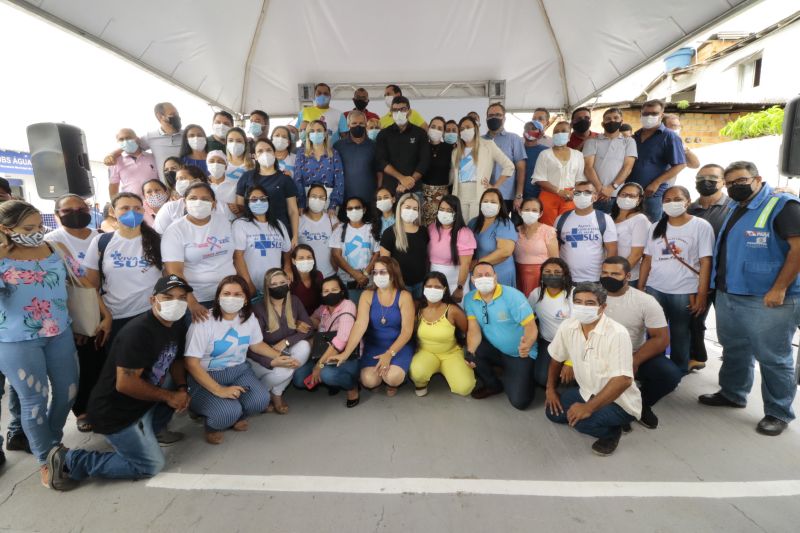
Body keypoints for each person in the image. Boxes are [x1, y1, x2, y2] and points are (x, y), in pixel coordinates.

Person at [44, 275, 192, 491]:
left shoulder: (176, 325)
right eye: (168, 297)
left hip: (142, 402)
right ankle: (72, 459)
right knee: (150, 465)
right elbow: (125, 384)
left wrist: (181, 388)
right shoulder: (139, 332)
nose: (175, 303)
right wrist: (170, 397)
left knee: (175, 379)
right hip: (115, 413)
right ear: (153, 300)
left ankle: (153, 430)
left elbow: (176, 359)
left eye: (181, 298)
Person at [699, 161, 800, 436]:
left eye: (741, 181)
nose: (735, 187)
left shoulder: (782, 205)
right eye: (730, 183)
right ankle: (733, 393)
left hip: (767, 298)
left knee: (774, 357)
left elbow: (798, 248)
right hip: (730, 292)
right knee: (735, 348)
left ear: (758, 179)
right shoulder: (735, 205)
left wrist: (779, 288)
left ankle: (778, 412)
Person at [0, 201, 80, 484]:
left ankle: (53, 441)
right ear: (5, 229)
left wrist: (102, 313)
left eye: (39, 226)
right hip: (17, 340)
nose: (36, 232)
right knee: (33, 399)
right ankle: (47, 458)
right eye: (27, 228)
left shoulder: (53, 247)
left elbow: (78, 281)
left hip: (60, 331)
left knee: (68, 390)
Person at [544, 282, 641, 456]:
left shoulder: (617, 333)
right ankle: (601, 417)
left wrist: (588, 408)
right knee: (553, 413)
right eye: (578, 302)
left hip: (619, 401)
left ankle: (612, 432)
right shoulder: (568, 326)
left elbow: (624, 380)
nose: (582, 307)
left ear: (602, 307)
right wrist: (550, 389)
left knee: (582, 422)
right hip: (587, 391)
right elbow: (557, 357)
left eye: (589, 303)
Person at [43, 194, 110, 432]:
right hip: (73, 309)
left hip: (103, 304)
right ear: (56, 215)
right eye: (67, 210)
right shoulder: (51, 242)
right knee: (81, 362)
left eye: (80, 208)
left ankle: (103, 406)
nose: (75, 213)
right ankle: (82, 410)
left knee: (101, 360)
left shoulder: (100, 237)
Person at [184, 276, 273, 444]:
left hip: (238, 370)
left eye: (238, 294)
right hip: (206, 375)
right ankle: (212, 425)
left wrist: (278, 356)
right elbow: (191, 363)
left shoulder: (249, 318)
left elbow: (257, 345)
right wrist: (218, 390)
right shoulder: (204, 321)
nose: (231, 298)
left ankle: (236, 413)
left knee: (261, 400)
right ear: (218, 297)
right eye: (226, 293)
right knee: (226, 412)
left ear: (246, 299)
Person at [638, 185, 714, 374]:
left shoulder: (700, 226)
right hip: (655, 288)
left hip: (684, 291)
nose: (672, 203)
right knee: (654, 332)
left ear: (688, 202)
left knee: (681, 334)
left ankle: (679, 370)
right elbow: (647, 259)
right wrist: (641, 288)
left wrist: (702, 295)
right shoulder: (656, 226)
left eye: (677, 199)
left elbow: (706, 262)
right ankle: (656, 368)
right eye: (667, 200)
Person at [601, 257, 680, 429]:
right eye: (605, 273)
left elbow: (661, 338)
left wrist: (634, 360)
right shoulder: (592, 296)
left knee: (670, 374)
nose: (608, 277)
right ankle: (618, 408)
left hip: (633, 353)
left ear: (628, 276)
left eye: (615, 274)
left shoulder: (645, 301)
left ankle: (640, 404)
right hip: (599, 355)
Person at [84, 193, 163, 346]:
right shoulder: (101, 241)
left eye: (137, 208)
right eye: (125, 208)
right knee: (119, 367)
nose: (132, 212)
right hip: (116, 317)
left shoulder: (158, 241)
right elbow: (92, 287)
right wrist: (106, 316)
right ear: (113, 212)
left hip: (151, 315)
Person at [338, 257, 415, 395]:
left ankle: (392, 382)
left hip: (399, 346)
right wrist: (346, 353)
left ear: (393, 273)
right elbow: (360, 325)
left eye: (383, 272)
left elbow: (407, 331)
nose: (378, 276)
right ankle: (382, 376)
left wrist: (389, 354)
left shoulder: (404, 296)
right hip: (374, 345)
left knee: (393, 377)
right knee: (368, 381)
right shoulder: (367, 295)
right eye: (375, 272)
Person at [465, 262, 537, 409]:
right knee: (472, 351)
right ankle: (493, 385)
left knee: (520, 402)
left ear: (495, 277)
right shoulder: (469, 299)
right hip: (496, 348)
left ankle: (523, 374)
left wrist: (527, 344)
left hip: (520, 353)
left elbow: (531, 327)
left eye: (488, 275)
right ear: (472, 280)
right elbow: (473, 330)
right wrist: (470, 351)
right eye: (479, 275)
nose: (483, 278)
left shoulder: (513, 296)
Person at [162, 182, 237, 320]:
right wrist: (192, 302)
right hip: (199, 299)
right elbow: (174, 272)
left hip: (229, 295)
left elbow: (234, 256)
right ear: (185, 202)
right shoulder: (175, 231)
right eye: (193, 198)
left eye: (205, 199)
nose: (199, 202)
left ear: (214, 204)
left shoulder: (224, 222)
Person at [247, 268, 312, 414]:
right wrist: (271, 361)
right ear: (267, 287)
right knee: (284, 371)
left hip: (283, 350)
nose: (279, 287)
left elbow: (309, 328)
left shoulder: (294, 301)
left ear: (288, 283)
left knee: (304, 347)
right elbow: (251, 348)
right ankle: (261, 395)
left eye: (282, 282)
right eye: (274, 284)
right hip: (261, 357)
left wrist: (287, 341)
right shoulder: (258, 309)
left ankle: (276, 393)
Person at [292, 275, 361, 407]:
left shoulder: (348, 305)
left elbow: (341, 340)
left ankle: (352, 388)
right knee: (299, 378)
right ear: (322, 294)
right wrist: (298, 322)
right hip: (324, 353)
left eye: (334, 289)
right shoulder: (323, 308)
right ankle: (332, 382)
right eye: (326, 291)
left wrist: (319, 365)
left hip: (347, 356)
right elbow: (313, 320)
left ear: (342, 291)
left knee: (325, 373)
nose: (330, 293)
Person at [686, 164, 730, 371]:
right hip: (696, 275)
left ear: (723, 182)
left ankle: (732, 375)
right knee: (694, 318)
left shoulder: (734, 207)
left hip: (726, 277)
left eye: (713, 178)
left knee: (728, 327)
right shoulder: (688, 209)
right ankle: (696, 356)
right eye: (701, 178)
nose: (706, 182)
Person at [410, 272, 475, 396]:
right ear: (423, 288)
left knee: (465, 387)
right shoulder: (417, 307)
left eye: (437, 287)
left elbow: (469, 332)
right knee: (417, 373)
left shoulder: (453, 310)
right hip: (426, 352)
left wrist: (471, 354)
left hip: (451, 353)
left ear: (445, 290)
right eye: (429, 286)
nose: (432, 290)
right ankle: (421, 383)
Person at [627, 100, 687, 222]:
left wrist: (656, 183)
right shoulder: (635, 136)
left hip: (653, 194)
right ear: (641, 114)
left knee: (651, 228)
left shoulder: (669, 136)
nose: (649, 117)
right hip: (631, 192)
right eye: (645, 113)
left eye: (654, 113)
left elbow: (681, 164)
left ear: (662, 114)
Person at [236, 139, 301, 244]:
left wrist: (295, 236)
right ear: (255, 156)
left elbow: (293, 211)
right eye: (260, 151)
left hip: (280, 232)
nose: (265, 153)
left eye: (268, 150)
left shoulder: (285, 179)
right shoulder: (247, 177)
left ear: (274, 153)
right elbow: (239, 207)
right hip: (253, 233)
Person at [451, 116, 515, 220]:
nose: (465, 130)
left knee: (475, 227)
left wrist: (495, 186)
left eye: (468, 127)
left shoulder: (488, 145)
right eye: (462, 129)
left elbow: (509, 166)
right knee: (461, 228)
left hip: (479, 193)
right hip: (460, 194)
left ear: (475, 128)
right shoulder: (455, 152)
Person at [232, 185, 291, 297]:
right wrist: (248, 283)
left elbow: (287, 250)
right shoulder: (240, 224)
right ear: (247, 203)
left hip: (275, 285)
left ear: (268, 201)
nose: (259, 202)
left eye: (263, 198)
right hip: (252, 287)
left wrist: (287, 267)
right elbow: (237, 256)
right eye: (254, 199)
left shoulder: (278, 224)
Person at [555, 181, 618, 282]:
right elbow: (556, 247)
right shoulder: (561, 219)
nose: (582, 195)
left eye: (587, 192)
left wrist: (606, 276)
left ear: (595, 197)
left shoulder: (604, 219)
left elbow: (612, 250)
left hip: (595, 279)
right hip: (567, 279)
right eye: (577, 193)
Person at [104, 102, 183, 180]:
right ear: (160, 116)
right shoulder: (150, 137)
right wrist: (112, 155)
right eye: (173, 114)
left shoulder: (187, 135)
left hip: (188, 185)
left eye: (177, 113)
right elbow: (130, 145)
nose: (178, 117)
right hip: (167, 187)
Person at [528, 258, 573, 387]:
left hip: (571, 344)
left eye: (557, 272)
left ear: (565, 275)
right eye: (547, 271)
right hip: (548, 342)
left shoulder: (573, 294)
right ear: (541, 275)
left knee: (570, 380)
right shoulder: (536, 294)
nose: (552, 275)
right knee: (541, 378)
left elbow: (580, 328)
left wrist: (570, 362)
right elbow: (526, 318)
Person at [583, 108, 638, 213]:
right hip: (593, 193)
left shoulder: (629, 142)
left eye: (615, 118)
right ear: (603, 123)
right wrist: (600, 189)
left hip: (617, 195)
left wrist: (611, 188)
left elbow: (627, 167)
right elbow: (588, 167)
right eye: (608, 119)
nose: (612, 121)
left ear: (621, 121)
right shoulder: (591, 142)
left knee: (613, 226)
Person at [374, 96, 431, 196]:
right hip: (390, 189)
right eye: (395, 110)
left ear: (409, 112)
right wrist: (402, 178)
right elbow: (381, 161)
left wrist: (411, 180)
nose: (399, 113)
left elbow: (424, 160)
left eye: (402, 109)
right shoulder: (383, 134)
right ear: (391, 113)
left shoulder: (420, 133)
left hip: (414, 188)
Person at [532, 121, 585, 226]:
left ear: (570, 134)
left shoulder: (578, 155)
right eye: (556, 132)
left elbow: (580, 179)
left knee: (567, 227)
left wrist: (573, 193)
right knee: (547, 227)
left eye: (564, 131)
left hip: (570, 197)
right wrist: (559, 191)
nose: (559, 133)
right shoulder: (545, 154)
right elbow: (539, 178)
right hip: (548, 195)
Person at [330, 196, 380, 301]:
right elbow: (336, 255)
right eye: (350, 208)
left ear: (364, 209)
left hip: (369, 282)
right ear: (346, 211)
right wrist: (355, 274)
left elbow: (377, 253)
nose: (354, 211)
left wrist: (365, 274)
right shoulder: (339, 229)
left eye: (357, 208)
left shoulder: (371, 228)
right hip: (347, 284)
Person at [380, 193, 429, 298]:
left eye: (415, 208)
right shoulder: (389, 233)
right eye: (408, 207)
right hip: (399, 284)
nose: (411, 211)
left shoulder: (424, 231)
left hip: (420, 283)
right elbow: (384, 263)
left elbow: (426, 258)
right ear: (400, 208)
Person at [427, 195, 476, 300]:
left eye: (449, 210)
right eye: (442, 209)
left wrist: (459, 288)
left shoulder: (464, 233)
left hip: (455, 283)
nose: (444, 213)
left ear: (456, 213)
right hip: (434, 282)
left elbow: (465, 264)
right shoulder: (432, 228)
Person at [468, 188, 518, 288]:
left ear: (500, 206)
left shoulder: (504, 223)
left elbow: (505, 251)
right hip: (478, 274)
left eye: (493, 202)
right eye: (485, 201)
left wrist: (478, 263)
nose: (488, 204)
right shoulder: (473, 223)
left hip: (500, 274)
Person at [294, 120, 344, 215]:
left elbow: (339, 180)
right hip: (307, 198)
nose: (315, 133)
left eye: (319, 130)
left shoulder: (334, 153)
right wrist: (301, 203)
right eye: (312, 131)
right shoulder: (301, 153)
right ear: (308, 135)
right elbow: (297, 179)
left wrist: (333, 205)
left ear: (325, 133)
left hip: (328, 199)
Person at [484, 102, 527, 212]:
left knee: (503, 226)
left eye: (498, 115)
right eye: (490, 115)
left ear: (504, 118)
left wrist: (518, 195)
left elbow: (521, 169)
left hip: (506, 195)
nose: (494, 118)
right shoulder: (480, 140)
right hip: (483, 194)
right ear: (486, 118)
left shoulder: (514, 139)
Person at [515, 197, 558, 295]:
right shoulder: (514, 231)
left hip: (542, 278)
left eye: (534, 210)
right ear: (520, 211)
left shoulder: (548, 231)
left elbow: (555, 260)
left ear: (541, 213)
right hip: (518, 276)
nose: (530, 213)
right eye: (526, 210)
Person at [335, 110, 379, 204]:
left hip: (370, 200)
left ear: (366, 125)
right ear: (348, 125)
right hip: (345, 201)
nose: (357, 126)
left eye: (361, 123)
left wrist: (378, 192)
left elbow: (379, 172)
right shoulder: (338, 146)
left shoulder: (374, 146)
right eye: (354, 123)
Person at [610, 182, 650, 285]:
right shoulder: (609, 217)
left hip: (627, 277)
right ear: (617, 196)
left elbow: (636, 255)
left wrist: (618, 274)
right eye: (623, 194)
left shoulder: (640, 220)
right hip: (607, 274)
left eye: (632, 196)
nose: (627, 198)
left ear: (639, 200)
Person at [153, 165, 209, 234]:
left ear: (197, 181)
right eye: (177, 179)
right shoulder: (170, 208)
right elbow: (159, 234)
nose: (178, 183)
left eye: (182, 178)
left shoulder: (214, 205)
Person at [420, 116, 453, 225]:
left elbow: (453, 171)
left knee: (439, 225)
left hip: (441, 194)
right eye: (433, 127)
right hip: (423, 193)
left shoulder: (450, 148)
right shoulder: (421, 146)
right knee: (423, 225)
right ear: (428, 128)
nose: (436, 130)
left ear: (443, 132)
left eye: (440, 128)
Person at [298, 184, 335, 277]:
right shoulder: (298, 220)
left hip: (329, 274)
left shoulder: (332, 220)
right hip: (305, 276)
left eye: (321, 197)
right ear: (307, 198)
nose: (317, 200)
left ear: (326, 201)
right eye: (313, 196)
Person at [109, 128, 158, 198]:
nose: (125, 141)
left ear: (137, 139)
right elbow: (113, 185)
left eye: (128, 138)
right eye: (121, 139)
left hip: (154, 202)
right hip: (131, 204)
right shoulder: (116, 161)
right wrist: (114, 204)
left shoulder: (152, 157)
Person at [289, 244, 323, 315]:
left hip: (318, 317)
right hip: (297, 320)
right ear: (293, 261)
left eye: (309, 257)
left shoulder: (318, 275)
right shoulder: (290, 280)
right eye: (301, 258)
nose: (306, 261)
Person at [206, 150, 239, 220]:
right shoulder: (203, 185)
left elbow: (241, 209)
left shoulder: (235, 185)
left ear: (226, 166)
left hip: (231, 224)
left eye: (220, 161)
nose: (215, 164)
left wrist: (238, 209)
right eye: (211, 161)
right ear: (207, 165)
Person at [521, 120, 549, 200]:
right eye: (527, 129)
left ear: (540, 133)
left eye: (533, 128)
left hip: (539, 196)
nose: (530, 131)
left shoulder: (546, 152)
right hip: (518, 197)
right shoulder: (517, 149)